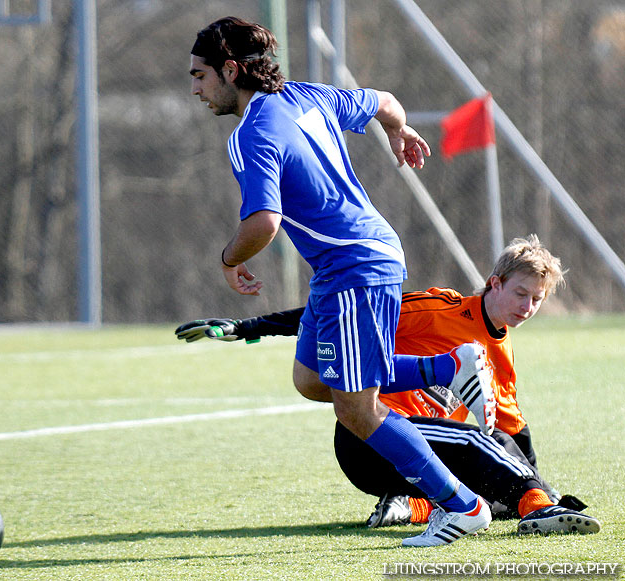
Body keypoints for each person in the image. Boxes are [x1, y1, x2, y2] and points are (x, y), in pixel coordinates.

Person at [188, 16, 497, 547]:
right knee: (311, 379)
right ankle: (451, 366)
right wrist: (399, 130)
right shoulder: (308, 95)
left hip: (355, 267)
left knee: (357, 409)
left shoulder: (251, 134)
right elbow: (383, 101)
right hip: (348, 266)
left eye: (199, 75)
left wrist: (227, 259)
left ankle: (461, 506)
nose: (194, 87)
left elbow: (263, 222)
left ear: (231, 70)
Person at [176, 235, 601, 536]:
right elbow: (332, 313)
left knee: (495, 462)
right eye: (521, 294)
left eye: (537, 300)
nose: (528, 307)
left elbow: (511, 430)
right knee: (477, 444)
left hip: (413, 459)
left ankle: (417, 506)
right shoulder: (439, 309)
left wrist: (537, 481)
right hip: (369, 435)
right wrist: (247, 327)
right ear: (495, 283)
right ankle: (537, 510)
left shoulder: (501, 352)